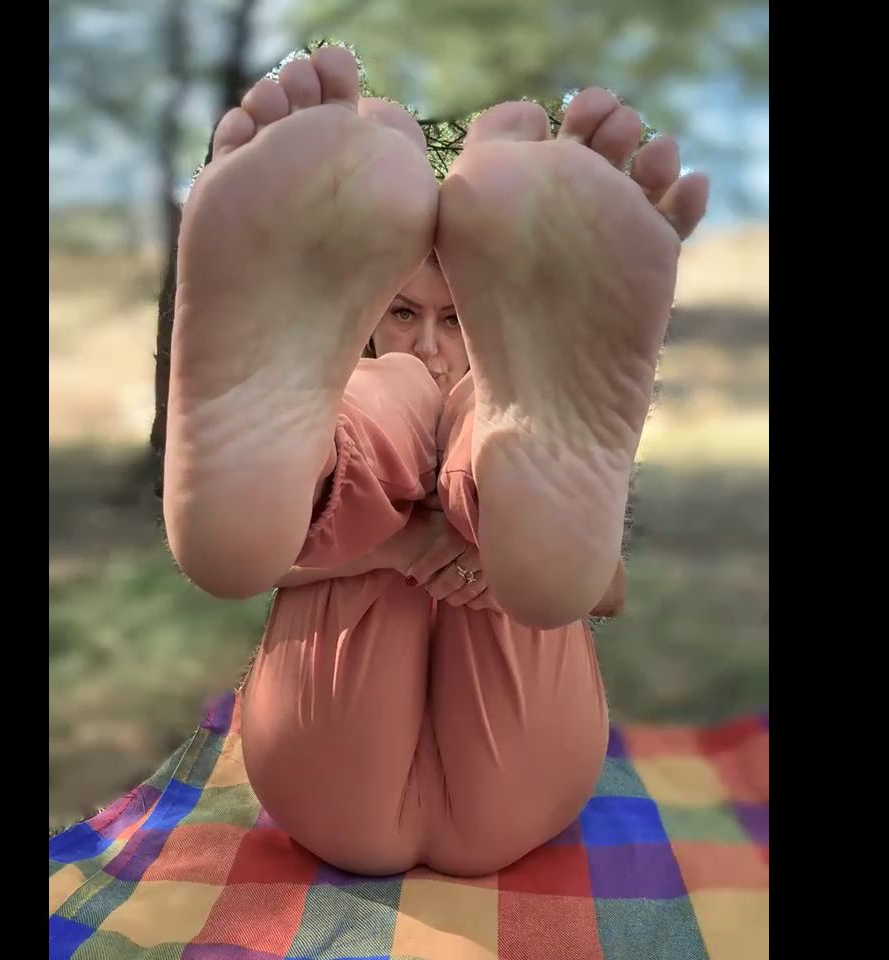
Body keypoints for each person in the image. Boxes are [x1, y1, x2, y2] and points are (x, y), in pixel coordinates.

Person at [160, 44, 708, 876]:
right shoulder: (363, 387)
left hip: (381, 774)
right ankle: (401, 476)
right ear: (363, 311)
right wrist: (409, 544)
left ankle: (490, 483)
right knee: (397, 391)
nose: (427, 341)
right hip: (405, 767)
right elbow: (255, 556)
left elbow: (606, 589)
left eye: (456, 319)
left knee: (472, 407)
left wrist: (491, 552)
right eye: (404, 313)